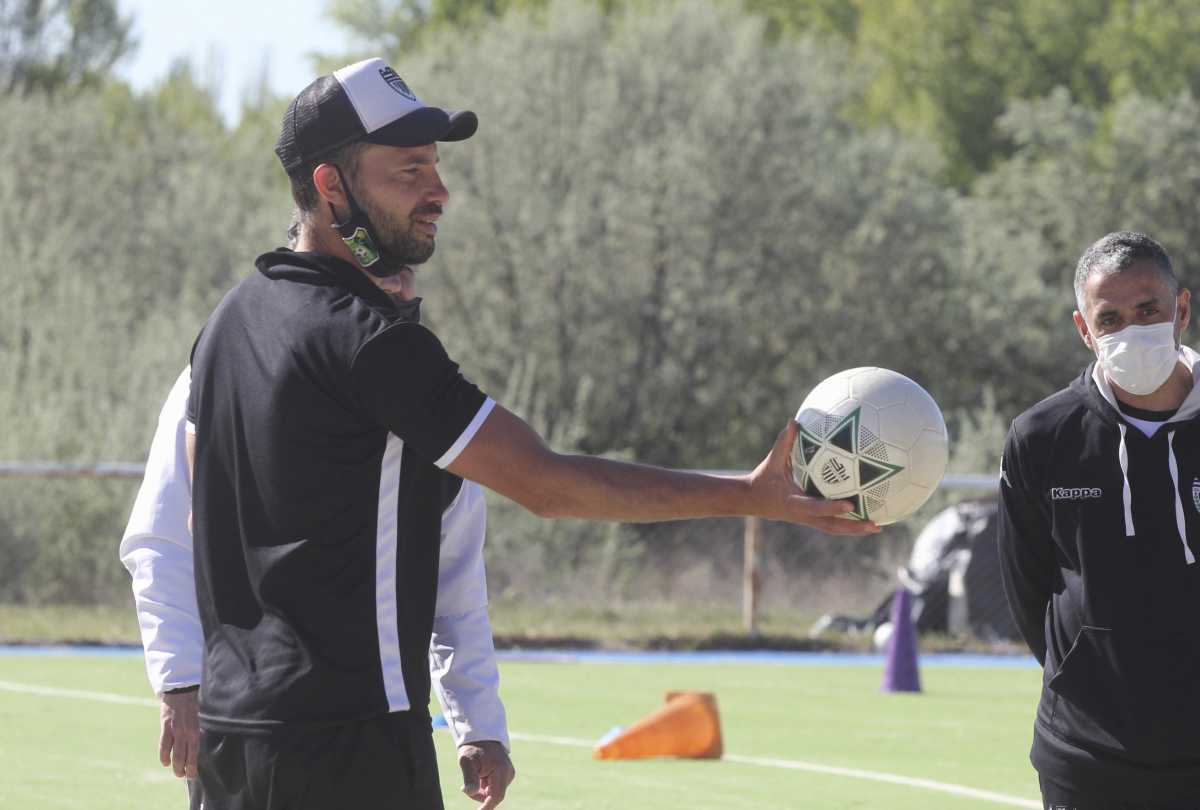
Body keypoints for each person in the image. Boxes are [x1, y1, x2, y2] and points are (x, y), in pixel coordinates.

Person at [184, 56, 876, 810]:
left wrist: (472, 714)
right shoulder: (371, 341)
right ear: (330, 185)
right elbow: (547, 485)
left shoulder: (228, 322)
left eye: (436, 165)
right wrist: (749, 494)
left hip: (229, 745)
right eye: (409, 170)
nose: (439, 190)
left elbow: (199, 519)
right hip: (346, 746)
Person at [121, 261, 511, 808]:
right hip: (243, 726)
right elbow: (161, 539)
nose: (395, 283)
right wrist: (180, 680)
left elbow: (456, 585)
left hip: (380, 731)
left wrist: (479, 725)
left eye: (404, 269)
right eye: (376, 267)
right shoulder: (219, 365)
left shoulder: (433, 398)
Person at [998, 231, 1200, 809]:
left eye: (1148, 310)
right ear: (1084, 330)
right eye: (1109, 318)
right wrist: (1086, 674)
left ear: (1181, 309)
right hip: (1086, 757)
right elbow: (1027, 587)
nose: (1132, 330)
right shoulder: (1041, 437)